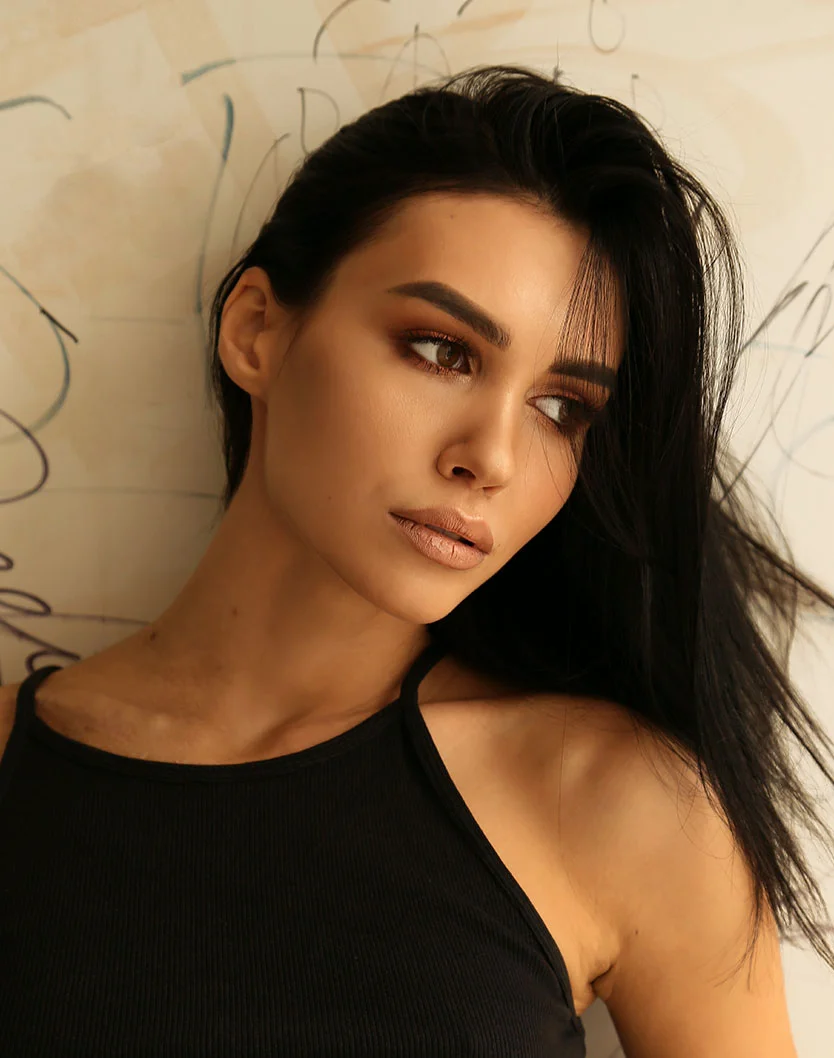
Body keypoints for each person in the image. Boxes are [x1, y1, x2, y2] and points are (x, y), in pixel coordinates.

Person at [0, 63, 831, 1057]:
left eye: (561, 407)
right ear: (257, 329)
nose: (493, 457)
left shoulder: (618, 804)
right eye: (442, 351)